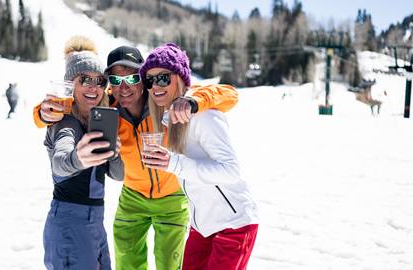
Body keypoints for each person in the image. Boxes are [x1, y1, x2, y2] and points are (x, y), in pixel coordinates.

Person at [33, 45, 239, 270]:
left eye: (132, 79)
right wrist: (41, 113)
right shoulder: (108, 106)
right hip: (132, 198)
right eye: (115, 80)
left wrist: (193, 102)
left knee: (170, 264)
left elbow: (229, 94)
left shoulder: (163, 99)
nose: (124, 88)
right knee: (127, 264)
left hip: (171, 197)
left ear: (143, 79)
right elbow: (70, 103)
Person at [140, 43, 259, 270]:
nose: (156, 86)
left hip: (234, 224)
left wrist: (173, 163)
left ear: (181, 78)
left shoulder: (204, 116)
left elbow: (231, 171)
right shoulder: (167, 118)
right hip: (202, 226)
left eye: (163, 78)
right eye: (150, 80)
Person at [43, 35, 124, 270]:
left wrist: (115, 154)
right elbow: (60, 162)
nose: (94, 87)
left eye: (100, 81)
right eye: (85, 79)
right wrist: (79, 157)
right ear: (71, 84)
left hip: (95, 221)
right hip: (69, 220)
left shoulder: (98, 124)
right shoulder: (64, 123)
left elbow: (118, 176)